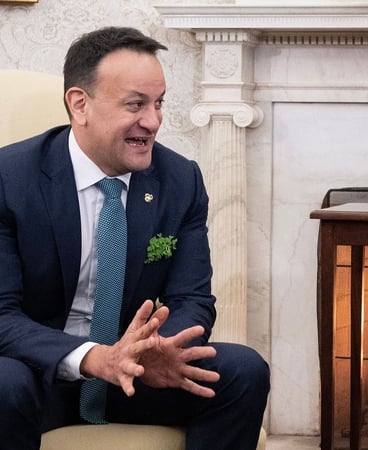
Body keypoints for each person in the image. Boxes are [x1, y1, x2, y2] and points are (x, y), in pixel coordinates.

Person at [0, 27, 270, 449]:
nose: (154, 121)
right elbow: (2, 315)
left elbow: (193, 300)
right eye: (136, 104)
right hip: (41, 374)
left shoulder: (180, 181)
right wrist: (93, 358)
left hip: (140, 374)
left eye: (159, 102)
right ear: (80, 104)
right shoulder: (10, 179)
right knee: (2, 382)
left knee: (242, 370)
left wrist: (157, 349)